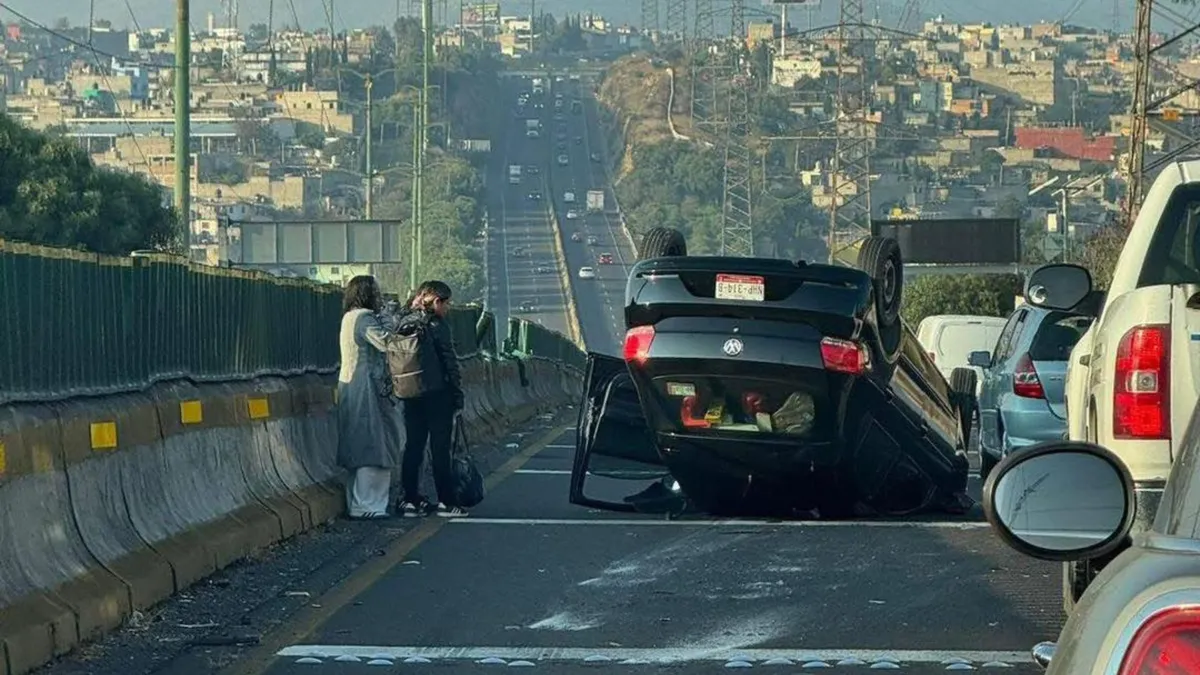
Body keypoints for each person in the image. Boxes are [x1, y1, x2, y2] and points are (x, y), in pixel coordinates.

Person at [394, 280, 467, 518]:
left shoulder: (404, 321)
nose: (447, 309)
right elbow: (449, 361)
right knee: (439, 449)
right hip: (438, 395)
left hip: (409, 394)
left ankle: (409, 500)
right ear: (437, 301)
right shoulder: (437, 325)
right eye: (446, 304)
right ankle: (446, 501)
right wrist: (457, 394)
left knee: (413, 446)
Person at [336, 275, 404, 519]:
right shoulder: (364, 318)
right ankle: (368, 505)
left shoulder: (349, 317)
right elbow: (386, 342)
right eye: (376, 293)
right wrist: (389, 318)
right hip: (366, 387)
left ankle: (361, 503)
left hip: (354, 386)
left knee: (363, 442)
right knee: (373, 443)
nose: (380, 297)